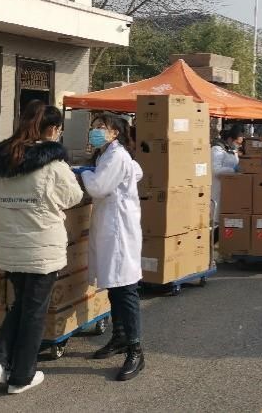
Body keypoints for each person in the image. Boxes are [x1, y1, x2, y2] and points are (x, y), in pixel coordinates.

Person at [0, 101, 84, 394]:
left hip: (10, 247)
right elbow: (74, 196)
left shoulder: (1, 163)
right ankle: (21, 377)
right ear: (52, 130)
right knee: (34, 312)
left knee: (23, 304)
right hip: (42, 248)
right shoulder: (54, 165)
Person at [81, 113, 146, 381]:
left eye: (101, 127)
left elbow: (98, 187)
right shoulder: (108, 155)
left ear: (115, 133)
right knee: (115, 287)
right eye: (94, 126)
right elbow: (137, 171)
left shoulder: (116, 156)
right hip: (110, 228)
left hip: (119, 232)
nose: (95, 131)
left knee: (125, 289)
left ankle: (136, 350)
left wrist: (83, 172)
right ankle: (119, 337)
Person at [211, 125, 245, 242]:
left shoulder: (232, 150)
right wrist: (233, 170)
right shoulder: (217, 149)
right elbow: (215, 170)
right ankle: (210, 248)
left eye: (240, 144)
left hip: (230, 190)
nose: (239, 146)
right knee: (216, 222)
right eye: (237, 143)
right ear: (230, 139)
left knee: (226, 222)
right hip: (218, 189)